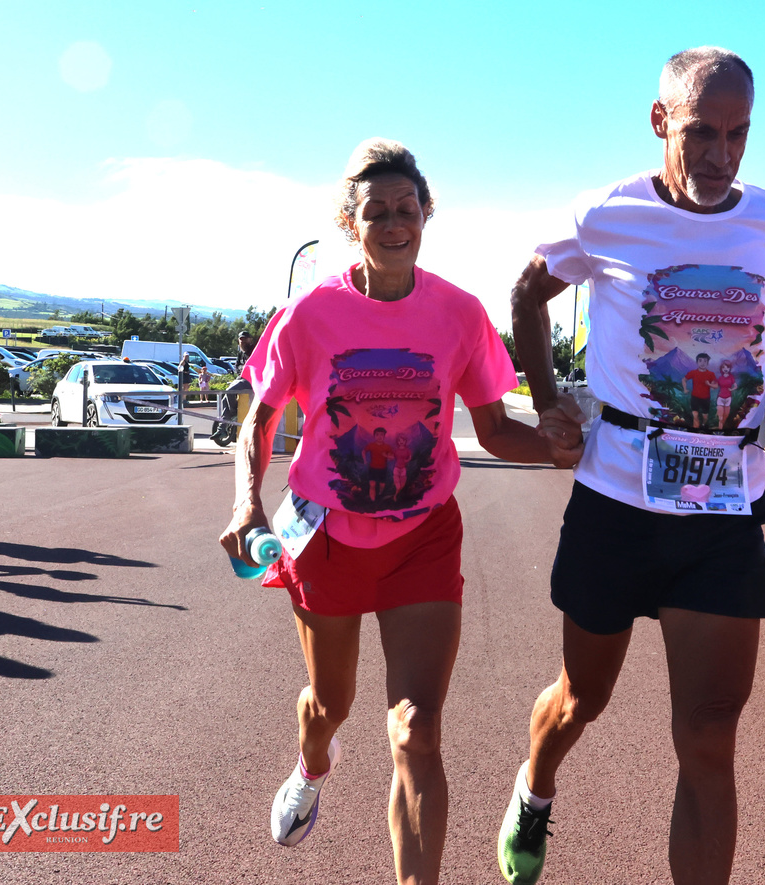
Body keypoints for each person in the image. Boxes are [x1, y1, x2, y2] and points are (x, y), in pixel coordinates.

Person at [498, 47, 765, 885]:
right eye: (702, 132)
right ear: (658, 121)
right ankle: (535, 785)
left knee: (709, 735)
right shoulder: (607, 214)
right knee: (582, 698)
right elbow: (527, 294)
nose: (722, 155)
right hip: (614, 498)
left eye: (739, 134)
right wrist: (548, 399)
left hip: (724, 508)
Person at [219, 138, 581, 885]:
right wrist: (246, 503)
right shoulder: (310, 314)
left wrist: (564, 449)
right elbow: (260, 416)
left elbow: (495, 429)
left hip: (421, 540)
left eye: (406, 209)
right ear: (350, 224)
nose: (393, 223)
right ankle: (311, 765)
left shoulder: (459, 313)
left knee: (418, 730)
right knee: (330, 705)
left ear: (425, 215)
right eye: (376, 211)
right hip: (325, 537)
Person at [683, 352, 715, 429]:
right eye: (700, 361)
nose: (702, 363)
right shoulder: (693, 372)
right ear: (697, 362)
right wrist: (685, 389)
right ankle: (696, 428)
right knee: (695, 414)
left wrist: (712, 386)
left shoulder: (711, 374)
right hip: (695, 397)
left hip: (706, 398)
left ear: (707, 363)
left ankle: (703, 424)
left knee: (705, 416)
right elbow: (684, 379)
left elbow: (714, 384)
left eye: (705, 361)